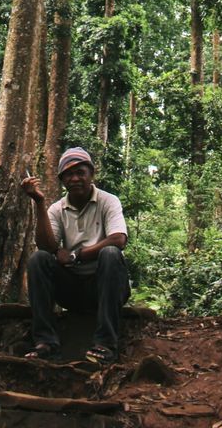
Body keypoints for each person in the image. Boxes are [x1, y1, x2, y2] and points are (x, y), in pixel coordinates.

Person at [20, 146, 130, 365]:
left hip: (105, 289)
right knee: (38, 260)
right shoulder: (57, 208)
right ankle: (46, 343)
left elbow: (119, 239)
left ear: (91, 175)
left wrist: (76, 255)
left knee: (110, 253)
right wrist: (39, 203)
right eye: (69, 174)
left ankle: (105, 344)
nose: (75, 178)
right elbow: (45, 245)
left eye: (81, 172)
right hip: (72, 290)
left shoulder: (108, 201)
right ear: (62, 180)